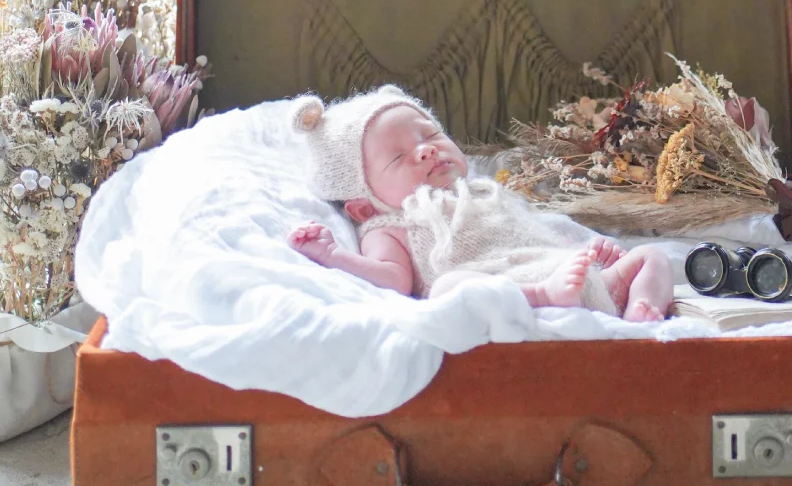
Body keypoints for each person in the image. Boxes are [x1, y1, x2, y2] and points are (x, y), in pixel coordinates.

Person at [287, 88, 674, 322]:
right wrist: (333, 255)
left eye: (430, 135)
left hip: (570, 276)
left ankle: (640, 314)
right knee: (448, 288)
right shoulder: (389, 225)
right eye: (398, 157)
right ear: (363, 207)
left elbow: (537, 233)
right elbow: (395, 279)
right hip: (511, 293)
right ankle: (544, 295)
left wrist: (591, 254)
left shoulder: (485, 191)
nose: (426, 150)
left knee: (651, 257)